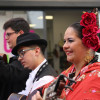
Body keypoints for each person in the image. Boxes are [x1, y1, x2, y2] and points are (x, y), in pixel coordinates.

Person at [32, 11, 100, 100]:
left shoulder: (96, 76)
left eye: (70, 41)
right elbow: (41, 89)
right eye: (65, 42)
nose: (64, 46)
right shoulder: (68, 73)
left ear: (87, 43)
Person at [11, 32, 57, 99]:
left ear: (36, 51)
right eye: (18, 55)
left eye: (22, 53)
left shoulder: (46, 79)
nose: (19, 58)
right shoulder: (35, 73)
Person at [0, 18, 31, 100]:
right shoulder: (15, 57)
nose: (6, 38)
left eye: (8, 34)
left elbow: (9, 74)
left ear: (20, 33)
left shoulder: (28, 56)